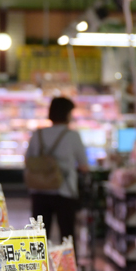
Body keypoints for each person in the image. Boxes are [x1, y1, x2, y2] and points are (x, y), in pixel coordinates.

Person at [26, 96, 89, 242]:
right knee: (67, 236)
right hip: (64, 191)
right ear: (68, 114)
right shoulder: (72, 135)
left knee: (39, 238)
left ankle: (39, 265)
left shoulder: (38, 134)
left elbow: (27, 160)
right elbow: (84, 166)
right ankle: (67, 265)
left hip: (39, 190)